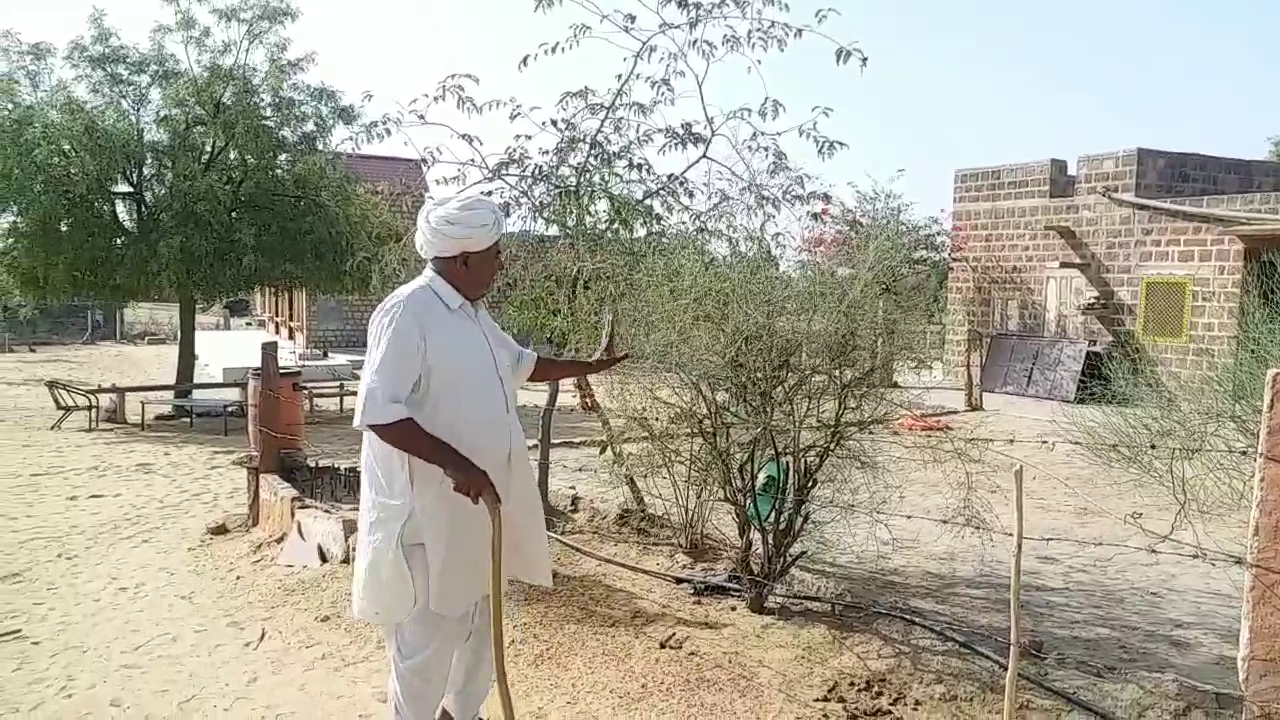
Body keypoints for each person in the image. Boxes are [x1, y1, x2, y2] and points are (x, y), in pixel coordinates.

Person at [350, 192, 627, 720]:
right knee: (429, 638)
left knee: (478, 627)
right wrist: (459, 465)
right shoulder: (409, 310)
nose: (501, 264)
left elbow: (524, 365)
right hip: (427, 515)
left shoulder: (471, 315)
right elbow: (379, 410)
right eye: (496, 253)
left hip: (475, 512)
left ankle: (462, 714)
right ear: (463, 259)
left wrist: (588, 368)